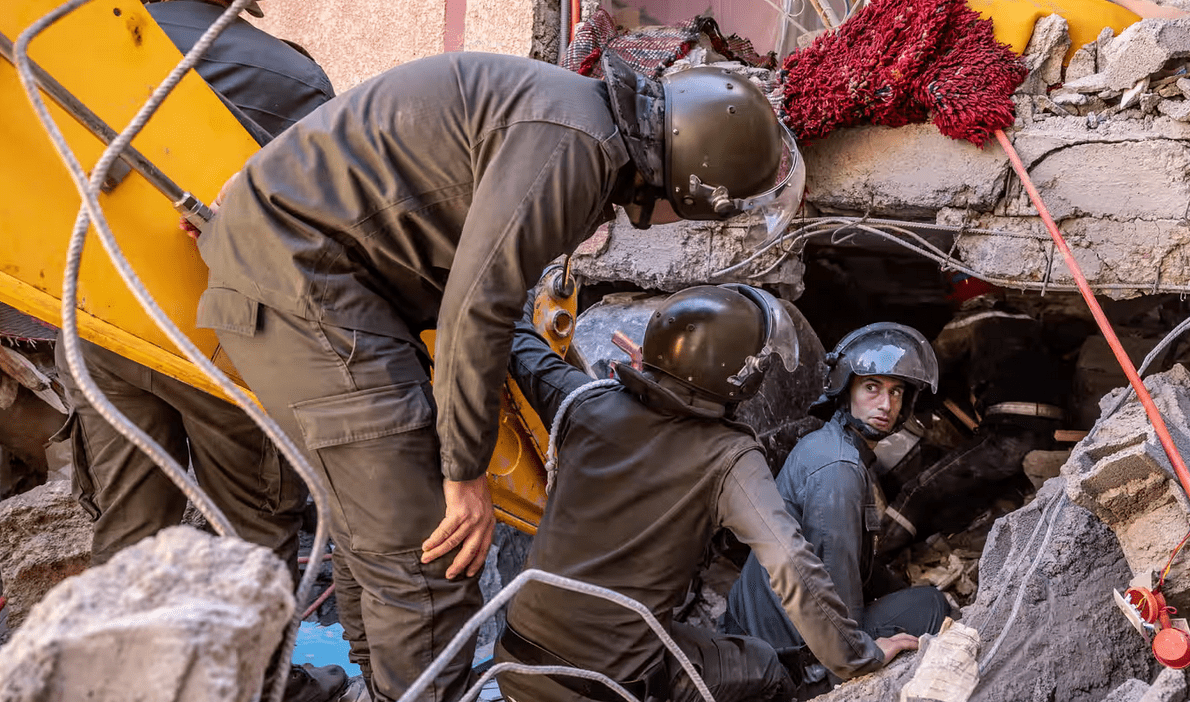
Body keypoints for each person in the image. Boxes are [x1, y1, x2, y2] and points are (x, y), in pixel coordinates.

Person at [191, 48, 804, 702]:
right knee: (433, 552)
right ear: (692, 181)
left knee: (381, 539)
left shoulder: (573, 118)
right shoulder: (577, 149)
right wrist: (464, 474)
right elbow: (477, 307)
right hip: (309, 288)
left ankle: (383, 690)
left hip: (303, 273)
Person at [54, 2, 340, 700]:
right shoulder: (286, 73)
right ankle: (257, 685)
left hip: (98, 322)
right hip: (225, 339)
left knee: (129, 536)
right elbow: (327, 224)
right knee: (249, 532)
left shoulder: (78, 45)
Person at [493, 285, 917, 702]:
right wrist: (861, 658)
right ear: (741, 376)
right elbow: (792, 566)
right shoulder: (729, 457)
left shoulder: (586, 402)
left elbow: (521, 349)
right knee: (765, 668)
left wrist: (527, 287)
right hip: (602, 686)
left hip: (515, 655)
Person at [726, 322, 950, 694]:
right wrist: (854, 666)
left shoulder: (832, 445)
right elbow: (833, 581)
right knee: (929, 606)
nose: (886, 405)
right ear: (847, 390)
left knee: (912, 594)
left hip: (754, 627)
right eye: (872, 388)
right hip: (786, 657)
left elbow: (854, 561)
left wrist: (894, 588)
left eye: (896, 393)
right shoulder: (839, 471)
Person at [876, 280, 1066, 558]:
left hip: (1009, 430)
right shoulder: (1028, 320)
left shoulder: (970, 321)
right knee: (1001, 495)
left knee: (918, 492)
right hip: (1052, 431)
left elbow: (926, 369)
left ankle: (872, 561)